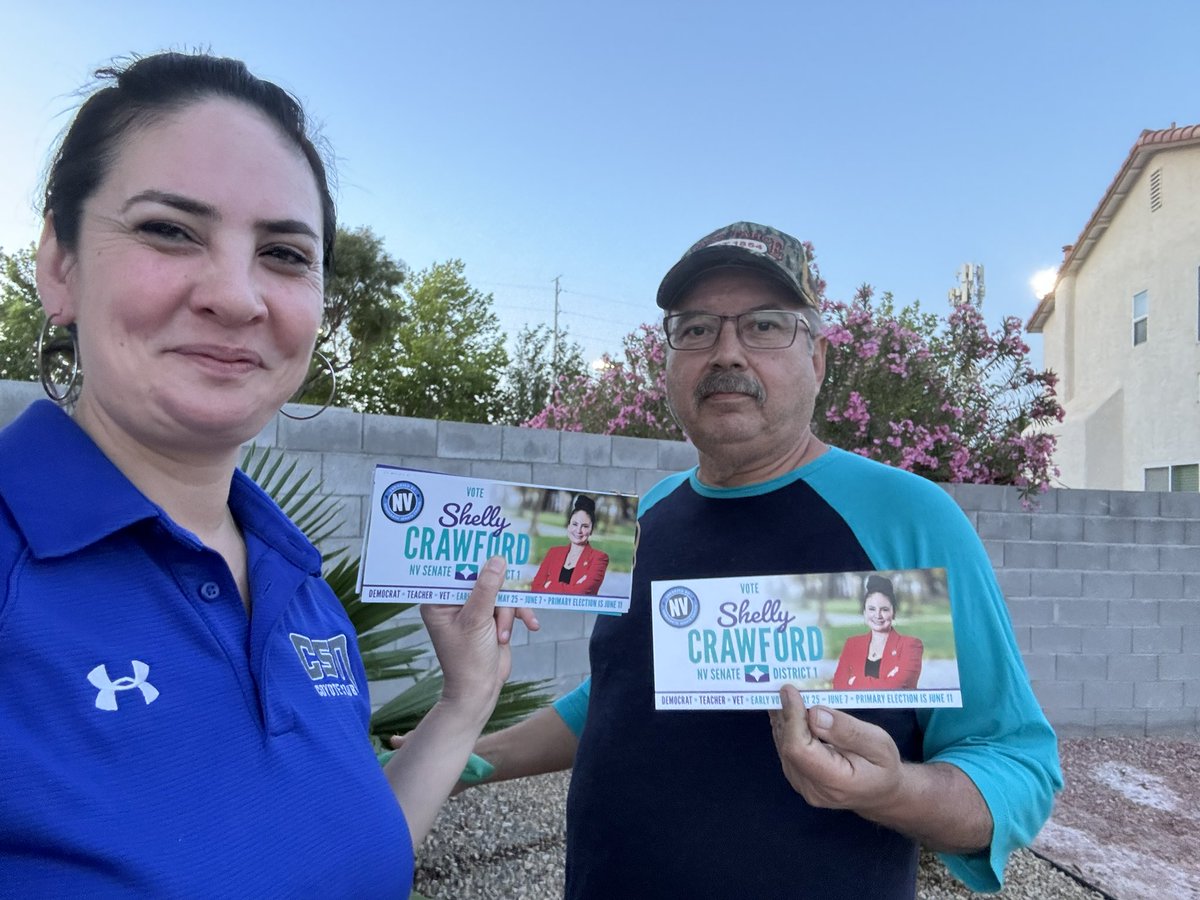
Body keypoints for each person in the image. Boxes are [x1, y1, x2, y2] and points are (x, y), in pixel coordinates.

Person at [0, 52, 535, 896]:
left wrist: (465, 699)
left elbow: (340, 856)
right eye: (170, 230)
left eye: (284, 253)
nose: (237, 296)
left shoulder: (299, 584)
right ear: (61, 265)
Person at [421, 222, 1062, 898]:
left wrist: (894, 789)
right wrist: (458, 754)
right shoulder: (651, 514)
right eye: (696, 329)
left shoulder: (908, 518)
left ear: (816, 361)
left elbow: (1016, 765)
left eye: (764, 326)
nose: (726, 352)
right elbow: (618, 696)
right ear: (668, 363)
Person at [833, 574, 924, 690]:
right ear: (864, 613)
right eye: (872, 609)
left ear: (894, 613)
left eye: (884, 610)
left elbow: (898, 686)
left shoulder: (911, 645)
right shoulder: (852, 644)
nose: (878, 615)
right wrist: (884, 681)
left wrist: (853, 682)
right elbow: (838, 686)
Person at [530, 494, 609, 595]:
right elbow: (535, 588)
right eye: (575, 524)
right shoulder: (553, 553)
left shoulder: (599, 558)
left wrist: (549, 585)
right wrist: (572, 587)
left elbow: (581, 592)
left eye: (585, 526)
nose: (578, 530)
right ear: (568, 526)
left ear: (591, 530)